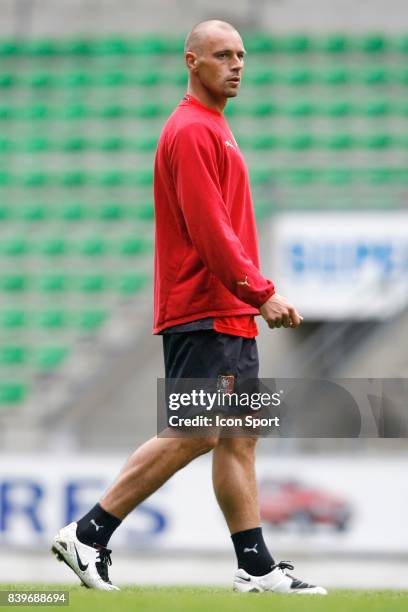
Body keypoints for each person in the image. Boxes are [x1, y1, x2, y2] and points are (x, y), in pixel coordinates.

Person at [51, 19, 326, 595]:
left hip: (227, 311)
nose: (236, 65)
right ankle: (89, 533)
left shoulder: (215, 128)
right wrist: (262, 290)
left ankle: (255, 567)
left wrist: (248, 299)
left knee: (238, 436)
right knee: (197, 430)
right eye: (222, 55)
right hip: (206, 306)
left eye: (242, 55)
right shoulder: (192, 130)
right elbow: (209, 230)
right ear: (191, 62)